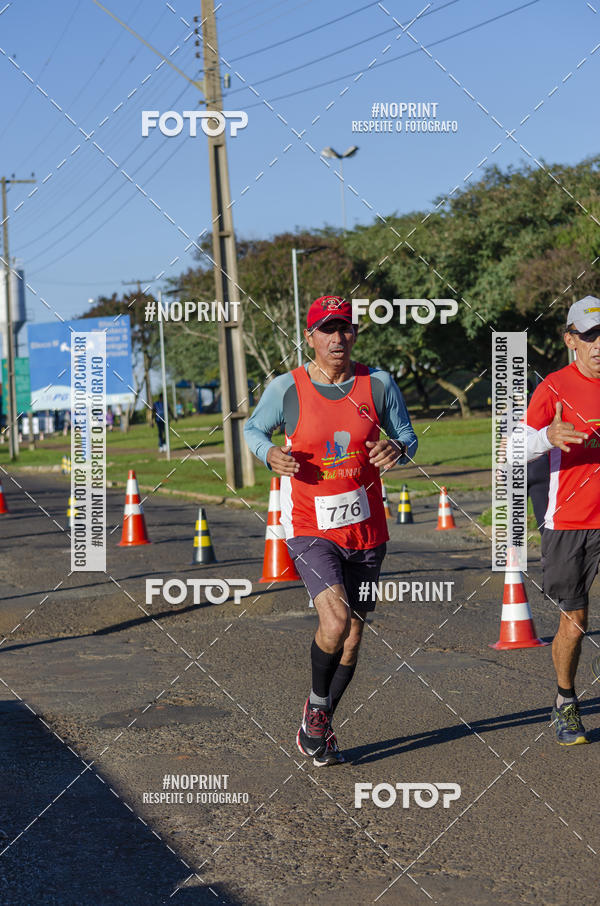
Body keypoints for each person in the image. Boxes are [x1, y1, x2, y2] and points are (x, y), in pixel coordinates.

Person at [244, 296, 417, 766]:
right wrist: (268, 455)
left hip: (367, 529)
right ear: (310, 337)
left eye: (345, 328)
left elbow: (408, 435)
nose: (337, 338)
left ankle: (316, 721)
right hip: (310, 527)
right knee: (335, 622)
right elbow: (253, 430)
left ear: (354, 332)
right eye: (327, 329)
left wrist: (397, 448)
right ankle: (318, 710)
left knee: (355, 636)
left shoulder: (377, 383)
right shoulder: (288, 388)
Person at [524, 296, 600, 745]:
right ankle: (565, 702)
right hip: (568, 521)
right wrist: (545, 436)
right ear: (571, 339)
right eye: (589, 336)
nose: (599, 345)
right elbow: (512, 446)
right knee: (575, 618)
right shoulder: (553, 386)